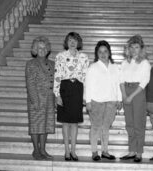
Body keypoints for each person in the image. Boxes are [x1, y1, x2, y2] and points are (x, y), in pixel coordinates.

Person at [53, 32, 89, 161]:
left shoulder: (84, 57)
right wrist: (57, 94)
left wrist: (85, 95)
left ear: (78, 42)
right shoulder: (60, 56)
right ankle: (66, 151)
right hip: (65, 87)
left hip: (78, 88)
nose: (72, 43)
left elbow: (86, 78)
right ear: (66, 42)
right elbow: (57, 75)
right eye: (70, 40)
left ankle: (73, 151)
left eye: (75, 40)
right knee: (65, 122)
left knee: (74, 123)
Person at [85, 40, 122, 161]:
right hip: (96, 101)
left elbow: (118, 84)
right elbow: (88, 85)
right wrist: (88, 101)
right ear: (97, 53)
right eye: (100, 52)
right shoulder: (93, 67)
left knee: (106, 127)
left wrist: (119, 99)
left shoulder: (115, 67)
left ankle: (105, 151)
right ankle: (94, 151)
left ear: (109, 53)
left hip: (111, 101)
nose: (103, 54)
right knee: (96, 127)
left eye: (105, 51)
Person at [119, 35, 151, 163]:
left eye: (136, 47)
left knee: (138, 124)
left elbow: (144, 82)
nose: (133, 50)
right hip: (126, 91)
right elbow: (120, 80)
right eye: (131, 47)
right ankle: (131, 150)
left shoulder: (145, 63)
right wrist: (124, 95)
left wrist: (131, 96)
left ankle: (139, 152)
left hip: (138, 93)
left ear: (141, 49)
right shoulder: (124, 63)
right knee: (129, 124)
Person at [25, 36, 55, 160]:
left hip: (49, 99)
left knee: (46, 126)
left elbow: (55, 82)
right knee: (36, 126)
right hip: (36, 100)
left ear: (47, 49)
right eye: (39, 48)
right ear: (35, 50)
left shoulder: (52, 63)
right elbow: (30, 83)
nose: (42, 50)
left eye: (44, 47)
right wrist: (35, 101)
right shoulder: (31, 64)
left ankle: (43, 149)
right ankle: (36, 150)